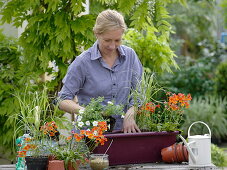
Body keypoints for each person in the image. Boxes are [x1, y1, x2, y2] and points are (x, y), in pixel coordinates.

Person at [58, 9, 142, 133]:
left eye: (117, 40)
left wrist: (130, 113)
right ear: (96, 33)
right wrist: (89, 113)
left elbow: (138, 94)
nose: (112, 46)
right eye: (107, 40)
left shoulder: (130, 56)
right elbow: (63, 100)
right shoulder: (83, 62)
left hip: (123, 134)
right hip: (89, 137)